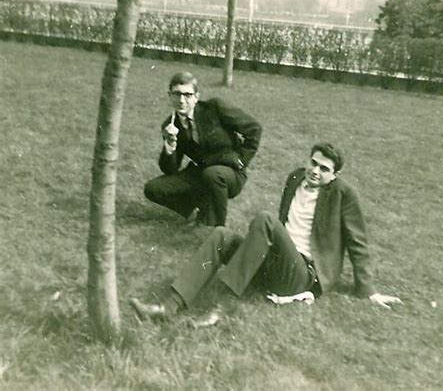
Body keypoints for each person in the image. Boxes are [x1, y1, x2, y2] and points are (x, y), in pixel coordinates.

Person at [132, 142, 402, 320]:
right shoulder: (296, 177)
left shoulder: (345, 194)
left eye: (324, 169)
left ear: (335, 174)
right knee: (221, 236)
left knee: (265, 220)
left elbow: (358, 242)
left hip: (301, 275)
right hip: (275, 261)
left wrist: (367, 290)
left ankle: (221, 307)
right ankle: (168, 307)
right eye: (313, 163)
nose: (315, 171)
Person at [144, 71, 262, 227]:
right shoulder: (170, 126)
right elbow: (170, 169)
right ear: (170, 95)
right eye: (177, 94)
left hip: (229, 173)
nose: (181, 100)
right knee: (153, 188)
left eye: (187, 95)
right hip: (200, 172)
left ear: (196, 97)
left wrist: (242, 160)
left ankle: (216, 228)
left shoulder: (214, 108)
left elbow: (254, 128)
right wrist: (170, 146)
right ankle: (196, 209)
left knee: (212, 174)